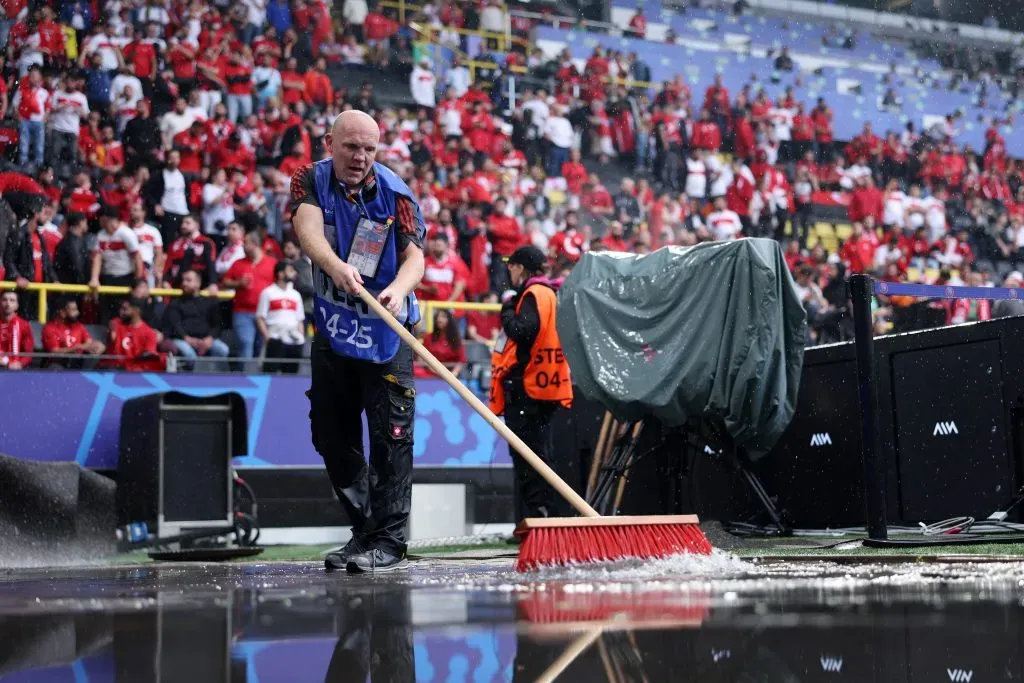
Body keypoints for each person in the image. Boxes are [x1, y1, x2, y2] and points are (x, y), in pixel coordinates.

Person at [291, 109, 425, 573]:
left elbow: (415, 259)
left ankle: (388, 541)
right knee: (329, 433)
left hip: (389, 329)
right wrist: (335, 266)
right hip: (335, 325)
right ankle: (366, 530)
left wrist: (398, 290)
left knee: (391, 436)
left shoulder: (397, 193)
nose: (360, 157)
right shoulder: (310, 179)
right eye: (351, 146)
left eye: (369, 148)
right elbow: (306, 229)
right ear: (331, 143)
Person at [489, 245, 573, 520]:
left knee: (528, 456)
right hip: (547, 384)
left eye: (512, 266)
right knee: (541, 452)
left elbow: (522, 331)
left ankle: (538, 515)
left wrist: (507, 308)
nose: (509, 270)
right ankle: (545, 512)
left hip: (528, 388)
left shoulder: (531, 294)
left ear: (521, 267)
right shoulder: (551, 292)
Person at [221, 230, 276, 361]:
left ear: (254, 244)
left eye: (245, 243)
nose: (242, 246)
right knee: (245, 344)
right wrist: (238, 283)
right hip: (243, 311)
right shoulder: (238, 263)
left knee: (261, 347)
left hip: (265, 313)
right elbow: (225, 282)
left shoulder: (272, 263)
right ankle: (246, 377)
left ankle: (260, 377)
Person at [162, 269, 230, 369]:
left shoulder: (209, 302)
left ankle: (216, 377)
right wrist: (188, 339)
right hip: (183, 339)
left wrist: (209, 339)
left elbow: (217, 324)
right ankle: (192, 380)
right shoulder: (175, 303)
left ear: (198, 283)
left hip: (205, 339)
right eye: (183, 280)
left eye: (188, 280)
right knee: (190, 355)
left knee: (223, 349)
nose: (184, 283)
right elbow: (175, 326)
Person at [89, 205, 144, 323]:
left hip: (124, 277)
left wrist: (138, 281)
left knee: (122, 312)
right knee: (105, 311)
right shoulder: (101, 235)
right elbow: (97, 258)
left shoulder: (126, 234)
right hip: (107, 277)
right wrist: (94, 278)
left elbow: (137, 258)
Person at [256, 260, 305, 374]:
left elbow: (299, 320)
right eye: (290, 270)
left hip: (293, 340)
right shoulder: (268, 292)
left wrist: (300, 338)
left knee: (291, 375)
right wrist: (268, 338)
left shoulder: (296, 295)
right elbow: (260, 318)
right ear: (281, 274)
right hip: (275, 338)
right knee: (270, 373)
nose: (294, 273)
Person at [101, 297, 166, 372]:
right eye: (121, 309)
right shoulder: (116, 324)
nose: (121, 312)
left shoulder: (149, 333)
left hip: (134, 372)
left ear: (136, 311)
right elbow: (111, 341)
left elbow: (149, 357)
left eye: (125, 309)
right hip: (113, 369)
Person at [41, 297, 105, 368]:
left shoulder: (79, 326)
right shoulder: (50, 328)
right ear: (62, 312)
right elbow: (55, 352)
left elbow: (89, 341)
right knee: (54, 367)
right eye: (73, 310)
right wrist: (75, 348)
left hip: (77, 362)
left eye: (76, 309)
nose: (78, 313)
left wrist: (96, 346)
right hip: (58, 363)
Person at [417, 308, 465, 378]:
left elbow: (461, 360)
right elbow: (421, 357)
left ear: (450, 319)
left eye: (443, 317)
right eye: (437, 317)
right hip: (430, 372)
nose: (439, 320)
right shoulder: (428, 337)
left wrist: (454, 373)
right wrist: (434, 370)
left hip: (451, 375)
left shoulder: (456, 339)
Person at [0, 290, 34, 370]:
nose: (8, 304)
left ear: (17, 306)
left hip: (15, 366)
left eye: (12, 300)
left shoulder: (24, 325)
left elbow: (28, 353)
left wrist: (20, 364)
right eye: (4, 300)